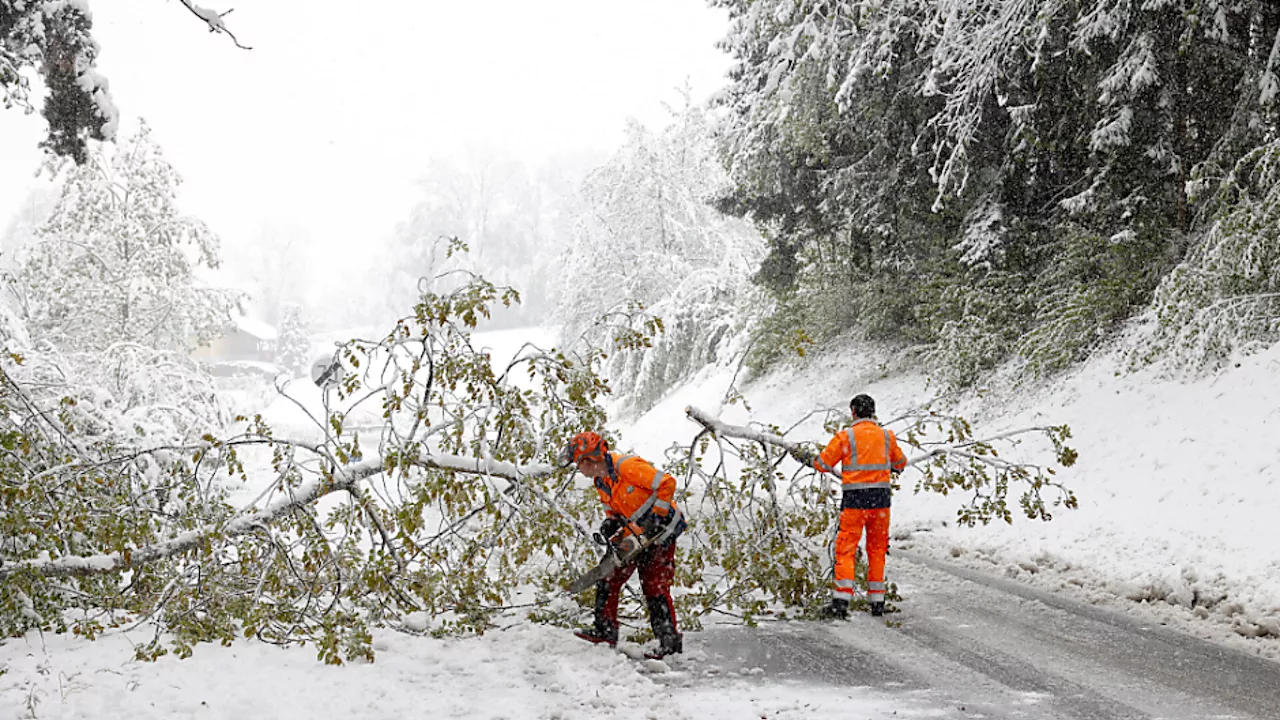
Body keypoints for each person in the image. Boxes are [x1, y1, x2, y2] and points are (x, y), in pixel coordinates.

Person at [562, 431, 687, 659]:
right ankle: (605, 630)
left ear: (589, 460)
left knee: (654, 586)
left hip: (663, 529)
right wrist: (611, 521)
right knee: (608, 573)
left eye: (579, 464)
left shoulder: (627, 466)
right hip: (636, 530)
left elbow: (667, 483)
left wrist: (656, 515)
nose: (579, 470)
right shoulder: (601, 481)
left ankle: (669, 643)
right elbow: (614, 506)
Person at [792, 394, 906, 618]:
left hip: (854, 501)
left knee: (846, 549)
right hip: (881, 502)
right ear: (873, 412)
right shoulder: (886, 436)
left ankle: (842, 601)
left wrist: (803, 457)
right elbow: (900, 463)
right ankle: (877, 601)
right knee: (877, 549)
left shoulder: (845, 437)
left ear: (853, 412)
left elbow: (823, 464)